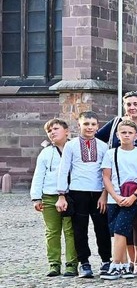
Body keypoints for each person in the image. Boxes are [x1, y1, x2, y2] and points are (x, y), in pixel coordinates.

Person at [55, 111, 111, 278]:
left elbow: (106, 173)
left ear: (97, 126)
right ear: (79, 125)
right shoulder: (70, 146)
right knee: (80, 229)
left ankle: (106, 261)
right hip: (78, 192)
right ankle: (84, 263)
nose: (89, 127)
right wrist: (61, 194)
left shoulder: (103, 146)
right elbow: (64, 170)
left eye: (93, 124)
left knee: (102, 228)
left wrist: (104, 194)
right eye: (86, 124)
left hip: (98, 193)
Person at [100, 120, 137, 280]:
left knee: (121, 229)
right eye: (123, 133)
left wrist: (134, 196)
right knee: (117, 231)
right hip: (115, 198)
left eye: (130, 133)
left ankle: (115, 265)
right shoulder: (110, 153)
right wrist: (115, 196)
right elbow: (106, 177)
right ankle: (124, 265)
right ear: (117, 135)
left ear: (135, 135)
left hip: (134, 198)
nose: (126, 135)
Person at [30, 119, 77, 277]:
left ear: (66, 131)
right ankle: (54, 264)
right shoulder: (46, 152)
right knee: (52, 232)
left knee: (70, 231)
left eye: (55, 129)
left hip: (70, 196)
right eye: (49, 131)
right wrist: (36, 198)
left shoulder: (74, 148)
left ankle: (72, 264)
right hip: (49, 196)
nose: (52, 132)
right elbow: (38, 176)